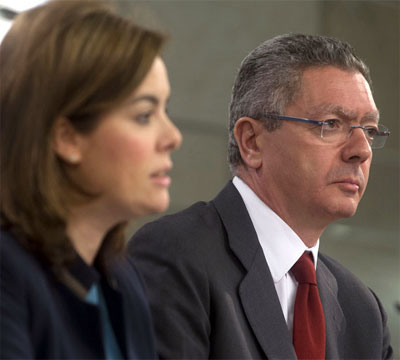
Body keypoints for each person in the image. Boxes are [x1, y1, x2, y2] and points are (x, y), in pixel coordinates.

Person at [129, 33, 393, 359]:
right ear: (252, 142)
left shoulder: (363, 312)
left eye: (369, 130)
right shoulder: (175, 256)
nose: (361, 151)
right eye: (331, 124)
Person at [0, 0, 181, 359]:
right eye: (144, 115)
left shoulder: (123, 277)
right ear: (67, 137)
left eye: (166, 110)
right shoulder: (6, 274)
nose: (173, 136)